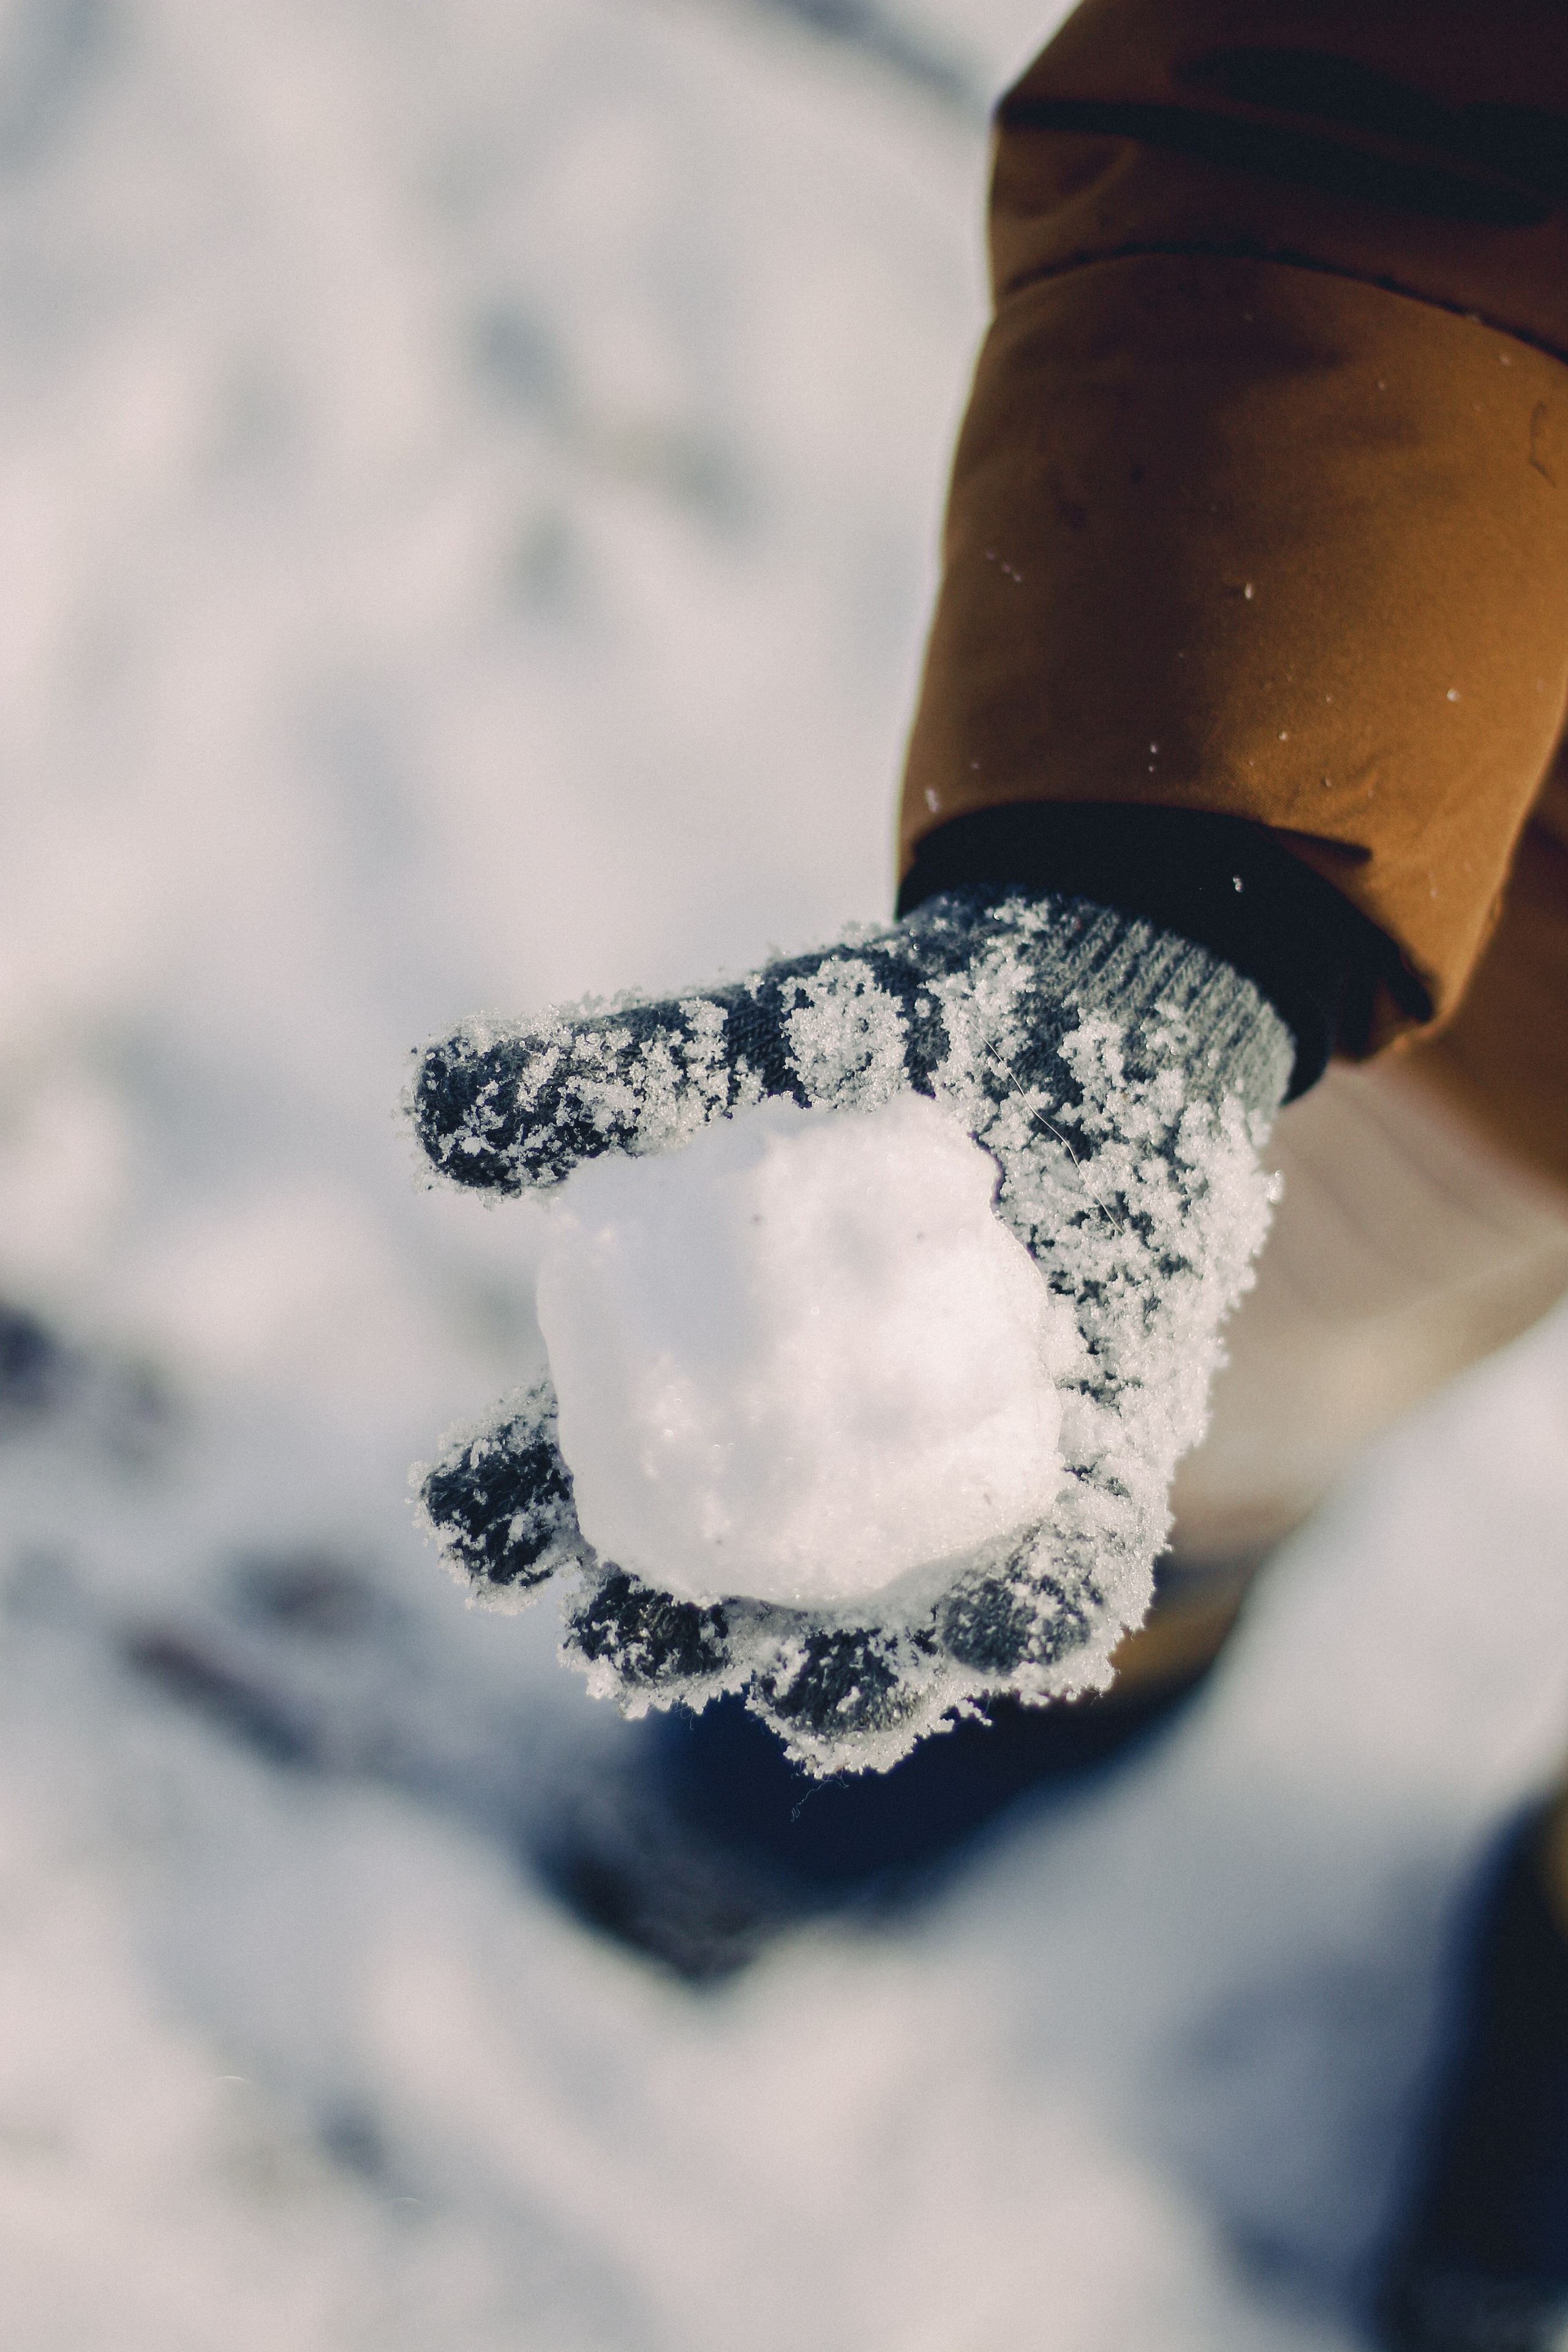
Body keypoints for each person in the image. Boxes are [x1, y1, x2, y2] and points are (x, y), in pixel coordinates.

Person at [407, 6, 1568, 2343]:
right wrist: (1194, 879)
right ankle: (1073, 1639)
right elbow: (1401, 107)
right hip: (1504, 908)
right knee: (1191, 1358)